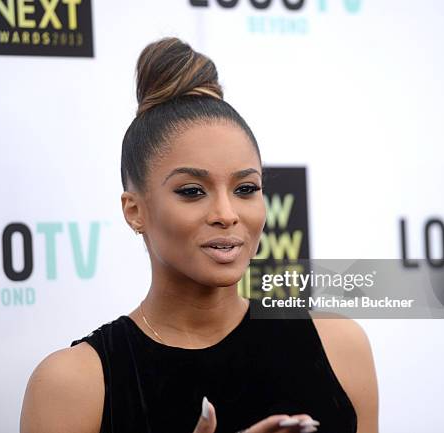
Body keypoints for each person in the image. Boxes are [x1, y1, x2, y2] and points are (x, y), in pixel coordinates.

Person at [19, 37, 378, 433]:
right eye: (192, 191)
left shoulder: (340, 347)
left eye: (246, 189)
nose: (226, 214)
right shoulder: (74, 385)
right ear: (134, 211)